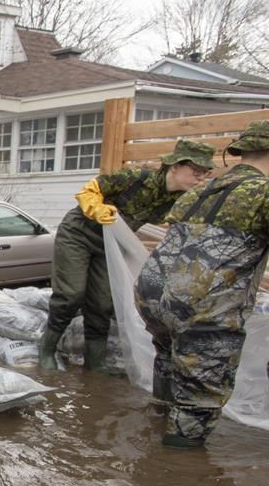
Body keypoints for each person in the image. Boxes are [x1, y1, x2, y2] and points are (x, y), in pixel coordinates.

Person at [135, 121, 269, 449]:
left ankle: (156, 425)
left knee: (168, 359)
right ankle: (173, 473)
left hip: (152, 293)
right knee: (198, 397)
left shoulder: (201, 190)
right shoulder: (263, 193)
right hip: (202, 304)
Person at [39, 139, 215, 373]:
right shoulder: (136, 178)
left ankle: (95, 362)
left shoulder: (177, 201)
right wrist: (97, 208)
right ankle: (47, 349)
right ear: (175, 166)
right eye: (196, 172)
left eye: (204, 174)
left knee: (102, 304)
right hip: (78, 235)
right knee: (71, 295)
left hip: (109, 245)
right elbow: (89, 191)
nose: (200, 179)